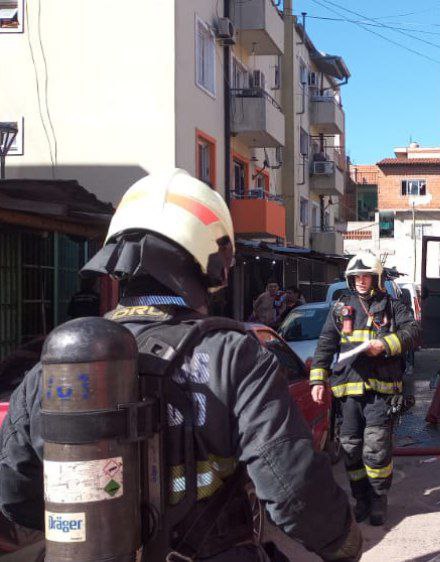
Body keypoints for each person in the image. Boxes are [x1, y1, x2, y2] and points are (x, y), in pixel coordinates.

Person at [0, 169, 361, 561]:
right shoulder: (232, 353)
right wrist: (344, 544)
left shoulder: (57, 364)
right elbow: (293, 489)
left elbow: (15, 496)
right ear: (211, 259)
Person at [311, 252, 420, 527]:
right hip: (348, 391)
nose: (361, 281)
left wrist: (385, 345)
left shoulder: (392, 307)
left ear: (376, 278)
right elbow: (325, 344)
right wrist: (317, 380)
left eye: (366, 276)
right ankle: (360, 499)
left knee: (376, 449)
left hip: (381, 392)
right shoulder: (341, 307)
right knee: (350, 448)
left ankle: (378, 500)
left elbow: (414, 333)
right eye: (356, 276)